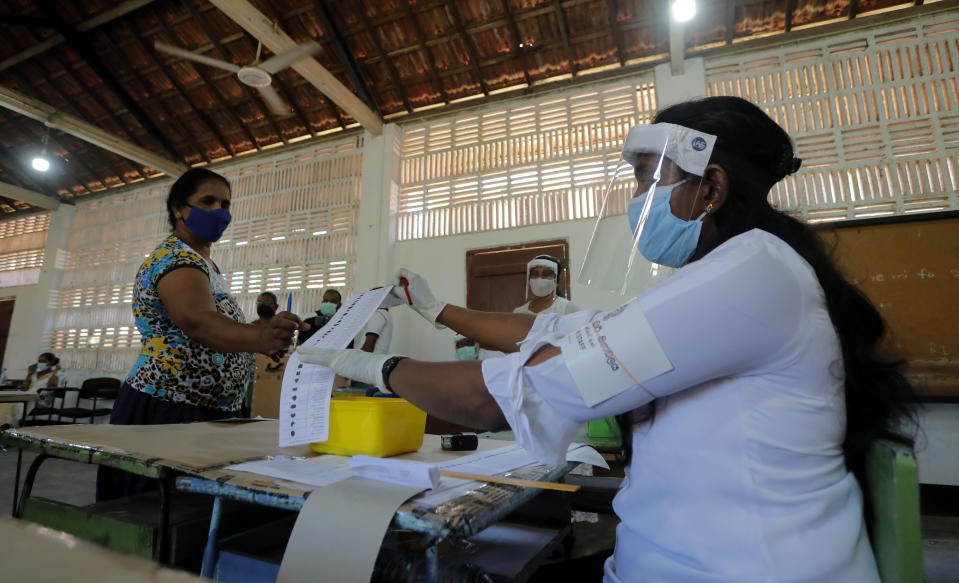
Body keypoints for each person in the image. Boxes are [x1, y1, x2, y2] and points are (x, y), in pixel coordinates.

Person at [297, 97, 917, 583]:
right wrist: (437, 309)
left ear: (711, 188)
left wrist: (373, 367)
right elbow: (560, 331)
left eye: (649, 178)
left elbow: (494, 398)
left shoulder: (748, 276)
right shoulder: (745, 271)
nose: (635, 199)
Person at [97, 167, 306, 500]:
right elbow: (198, 323)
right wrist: (262, 341)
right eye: (207, 201)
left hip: (207, 414)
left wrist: (264, 329)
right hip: (169, 412)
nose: (220, 211)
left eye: (225, 203)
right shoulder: (174, 259)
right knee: (156, 514)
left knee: (195, 520)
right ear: (179, 209)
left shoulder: (205, 264)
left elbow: (219, 327)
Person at [513, 254, 579, 316]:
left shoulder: (569, 310)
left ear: (556, 281)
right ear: (529, 280)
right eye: (535, 274)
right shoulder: (519, 312)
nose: (540, 278)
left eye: (546, 274)